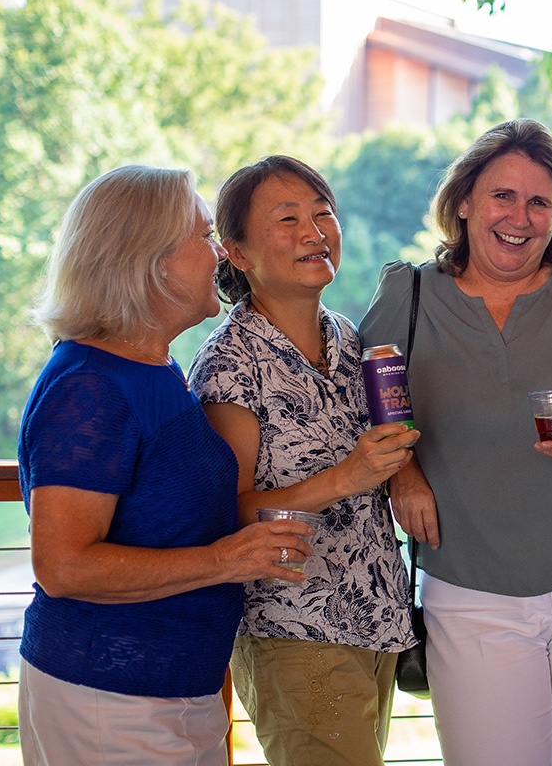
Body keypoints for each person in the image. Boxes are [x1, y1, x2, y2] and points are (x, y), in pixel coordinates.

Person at [360, 118, 552, 766]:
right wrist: (405, 477)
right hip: (470, 591)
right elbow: (368, 413)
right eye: (504, 195)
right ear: (465, 201)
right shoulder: (408, 294)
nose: (520, 217)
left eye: (540, 202)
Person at [17, 164, 314, 766]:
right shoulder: (90, 385)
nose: (219, 254)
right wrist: (224, 560)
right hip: (105, 698)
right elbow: (62, 566)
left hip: (181, 690)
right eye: (204, 237)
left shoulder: (156, 368)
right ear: (151, 261)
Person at [189, 155, 420, 766]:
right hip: (292, 623)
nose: (315, 232)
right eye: (287, 218)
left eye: (323, 213)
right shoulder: (229, 363)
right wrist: (350, 476)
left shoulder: (348, 339)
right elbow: (227, 512)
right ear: (235, 252)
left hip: (375, 614)